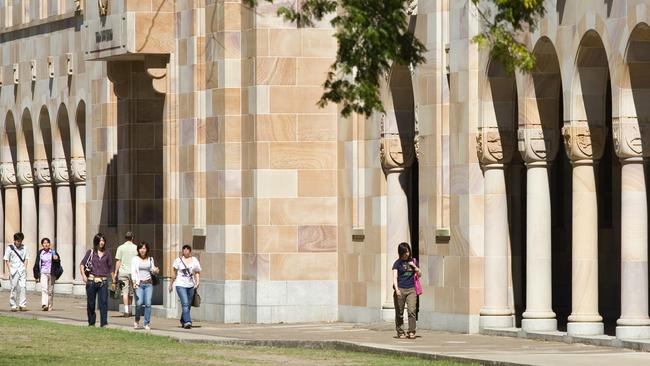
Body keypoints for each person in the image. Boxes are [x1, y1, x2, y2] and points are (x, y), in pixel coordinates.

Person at [80, 233, 114, 328]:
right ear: (96, 242)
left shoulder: (107, 253)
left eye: (103, 240)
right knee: (91, 303)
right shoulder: (90, 252)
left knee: (103, 302)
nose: (101, 242)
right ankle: (91, 322)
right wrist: (83, 275)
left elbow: (111, 267)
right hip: (91, 281)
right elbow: (82, 264)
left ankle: (104, 323)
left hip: (103, 281)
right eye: (100, 240)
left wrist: (114, 280)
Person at [392, 242, 421, 339]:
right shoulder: (397, 263)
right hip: (400, 289)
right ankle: (400, 332)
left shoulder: (413, 261)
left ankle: (411, 331)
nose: (407, 254)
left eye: (408, 251)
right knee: (399, 312)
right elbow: (394, 277)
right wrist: (396, 289)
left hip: (411, 289)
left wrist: (415, 267)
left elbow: (420, 274)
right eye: (405, 252)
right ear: (401, 253)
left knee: (412, 310)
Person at [168, 245, 201, 329]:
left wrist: (197, 282)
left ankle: (183, 320)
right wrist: (171, 284)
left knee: (188, 305)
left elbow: (197, 272)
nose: (185, 251)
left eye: (187, 249)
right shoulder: (178, 260)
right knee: (185, 303)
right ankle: (187, 321)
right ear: (182, 251)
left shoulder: (194, 260)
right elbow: (174, 274)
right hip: (180, 284)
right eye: (184, 249)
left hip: (191, 285)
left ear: (190, 251)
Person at [131, 241, 159, 330]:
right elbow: (133, 271)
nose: (142, 250)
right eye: (141, 248)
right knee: (139, 303)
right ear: (138, 250)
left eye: (144, 248)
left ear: (147, 249)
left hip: (148, 283)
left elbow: (153, 269)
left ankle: (146, 323)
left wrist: (155, 270)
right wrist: (134, 282)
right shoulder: (135, 259)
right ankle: (137, 320)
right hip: (139, 284)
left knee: (148, 303)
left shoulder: (150, 259)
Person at [33, 238, 62, 311]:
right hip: (43, 272)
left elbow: (58, 262)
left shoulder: (53, 252)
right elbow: (36, 263)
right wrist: (36, 275)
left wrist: (56, 259)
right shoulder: (40, 253)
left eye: (47, 243)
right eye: (44, 243)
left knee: (50, 291)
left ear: (49, 244)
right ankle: (44, 304)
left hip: (51, 273)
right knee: (44, 288)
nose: (46, 244)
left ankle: (50, 305)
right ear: (42, 244)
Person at [114, 231, 138, 316]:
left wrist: (116, 273)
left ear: (125, 238)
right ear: (132, 238)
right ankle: (131, 310)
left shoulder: (120, 248)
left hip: (123, 272)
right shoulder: (136, 248)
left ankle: (126, 311)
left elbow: (118, 261)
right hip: (133, 273)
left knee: (124, 292)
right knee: (131, 292)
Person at [4, 232, 28, 311]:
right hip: (13, 270)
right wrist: (9, 270)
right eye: (17, 241)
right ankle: (13, 305)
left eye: (20, 241)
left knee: (23, 287)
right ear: (14, 240)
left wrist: (25, 267)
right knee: (13, 287)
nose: (19, 242)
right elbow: (6, 259)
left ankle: (22, 305)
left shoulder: (24, 247)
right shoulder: (10, 248)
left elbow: (26, 258)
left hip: (22, 269)